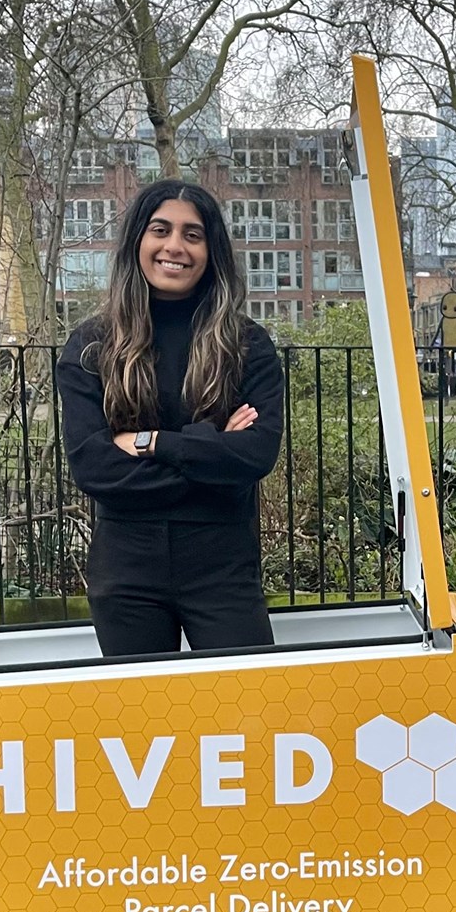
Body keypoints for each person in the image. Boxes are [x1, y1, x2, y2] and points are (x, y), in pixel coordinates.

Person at [57, 181, 284, 657]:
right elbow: (93, 466)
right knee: (141, 726)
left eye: (193, 235)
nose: (174, 246)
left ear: (211, 250)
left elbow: (254, 455)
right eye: (160, 230)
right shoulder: (92, 347)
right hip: (126, 575)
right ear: (138, 240)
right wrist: (210, 448)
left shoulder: (247, 346)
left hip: (224, 569)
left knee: (245, 719)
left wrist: (151, 443)